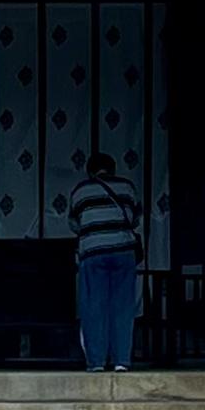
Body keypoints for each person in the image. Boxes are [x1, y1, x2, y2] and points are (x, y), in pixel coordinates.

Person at [66, 151, 146, 372]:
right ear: (113, 169)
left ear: (91, 171)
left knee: (94, 307)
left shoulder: (81, 190)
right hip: (123, 251)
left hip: (93, 252)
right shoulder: (127, 187)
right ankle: (121, 360)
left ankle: (97, 362)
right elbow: (135, 219)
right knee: (122, 307)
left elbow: (74, 224)